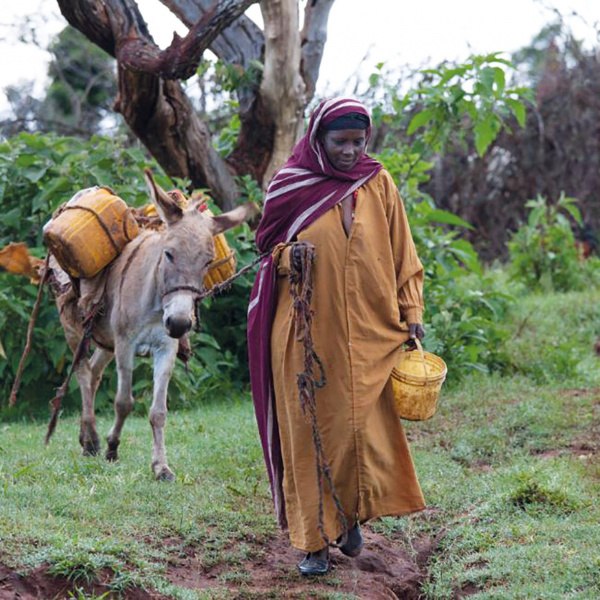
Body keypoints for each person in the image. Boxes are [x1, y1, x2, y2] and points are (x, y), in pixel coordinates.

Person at [247, 97, 426, 576]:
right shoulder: (289, 185)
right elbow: (267, 252)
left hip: (370, 329)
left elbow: (402, 251)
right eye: (340, 141)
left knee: (358, 428)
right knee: (308, 431)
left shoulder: (378, 181)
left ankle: (348, 519)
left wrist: (411, 311)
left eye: (358, 141)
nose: (350, 151)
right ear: (318, 138)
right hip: (306, 335)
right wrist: (289, 259)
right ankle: (313, 544)